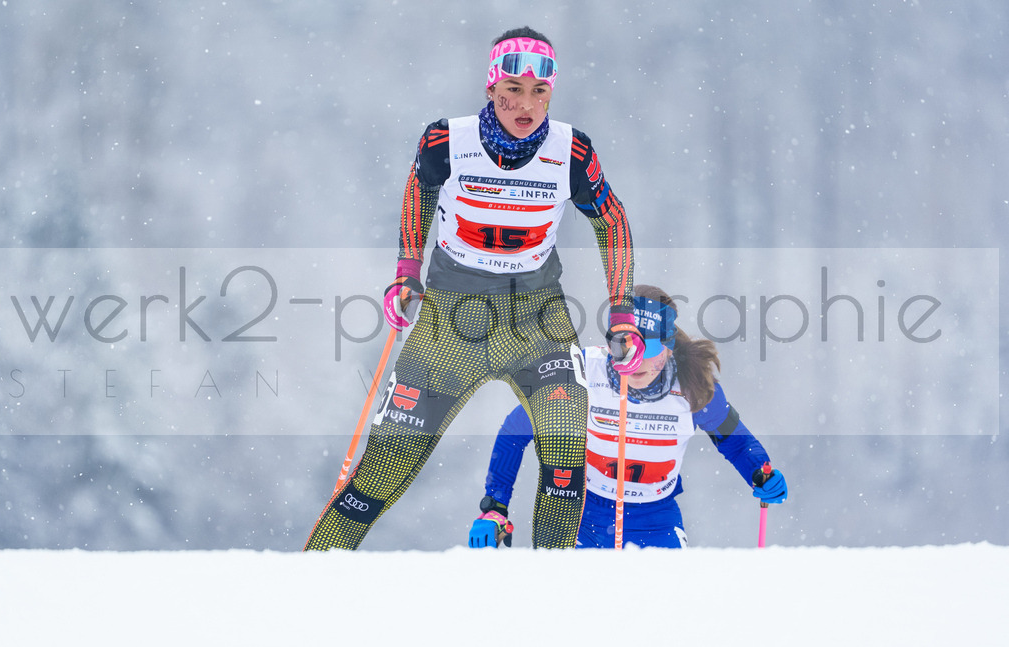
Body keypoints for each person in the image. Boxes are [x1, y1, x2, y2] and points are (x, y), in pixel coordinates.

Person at [305, 27, 645, 550]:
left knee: (564, 452)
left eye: (539, 92)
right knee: (383, 472)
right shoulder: (447, 140)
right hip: (451, 317)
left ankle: (554, 592)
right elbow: (418, 192)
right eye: (513, 88)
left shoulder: (571, 150)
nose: (526, 104)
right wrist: (405, 272)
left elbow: (612, 220)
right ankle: (313, 573)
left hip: (538, 319)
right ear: (490, 88)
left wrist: (621, 311)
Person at [468, 284, 789, 549]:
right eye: (624, 348)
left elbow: (734, 441)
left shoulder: (692, 386)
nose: (635, 363)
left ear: (667, 348)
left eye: (647, 350)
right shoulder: (581, 373)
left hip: (656, 517)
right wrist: (495, 507)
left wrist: (759, 472)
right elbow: (515, 430)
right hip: (583, 513)